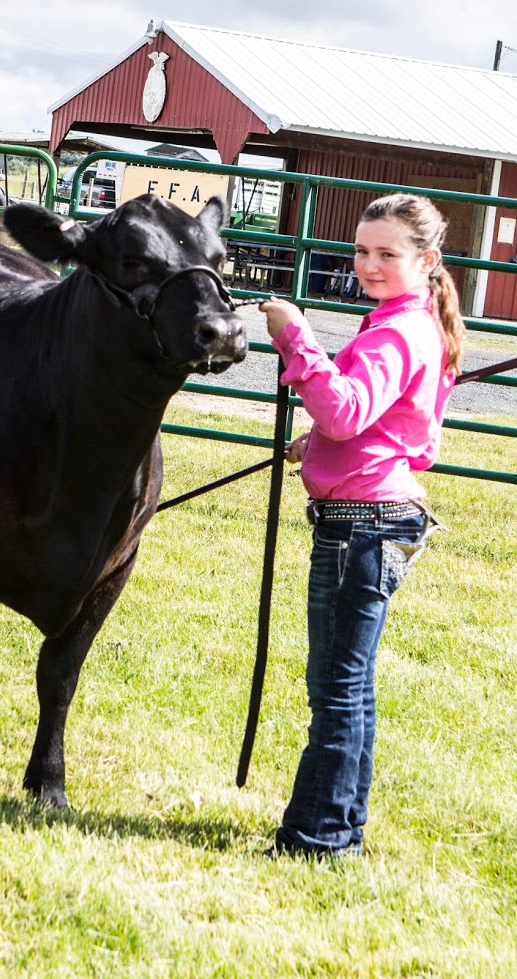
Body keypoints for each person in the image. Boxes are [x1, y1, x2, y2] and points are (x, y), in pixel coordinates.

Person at [260, 193, 465, 858]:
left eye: (387, 254)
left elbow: (346, 410)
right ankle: (340, 825)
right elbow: (392, 426)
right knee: (350, 684)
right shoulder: (409, 323)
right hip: (375, 515)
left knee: (337, 688)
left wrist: (295, 335)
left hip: (362, 525)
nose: (369, 264)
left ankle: (318, 836)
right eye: (361, 250)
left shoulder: (397, 332)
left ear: (427, 260)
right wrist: (320, 443)